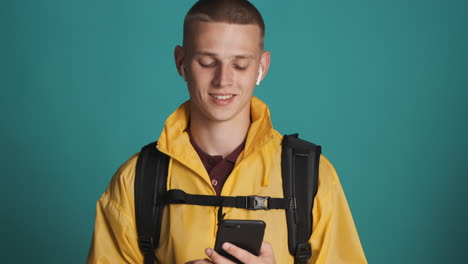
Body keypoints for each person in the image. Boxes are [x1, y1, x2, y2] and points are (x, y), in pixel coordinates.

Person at [87, 0, 367, 263]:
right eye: (208, 62)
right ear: (181, 62)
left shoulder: (313, 176)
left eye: (240, 64)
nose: (223, 80)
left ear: (262, 67)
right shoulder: (134, 179)